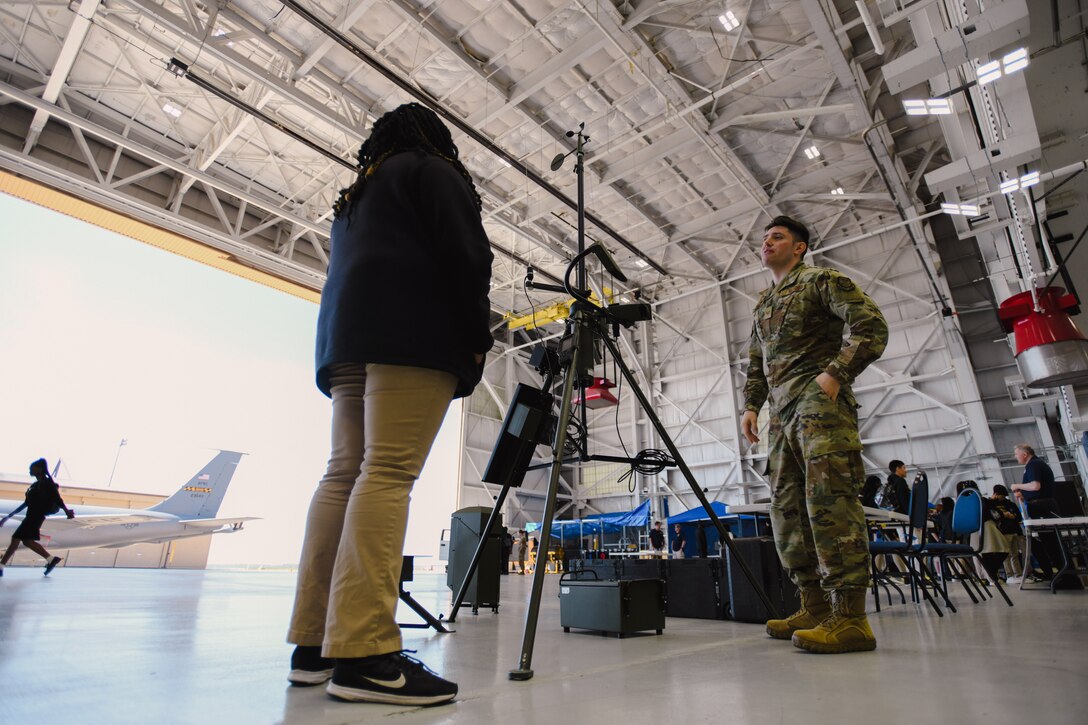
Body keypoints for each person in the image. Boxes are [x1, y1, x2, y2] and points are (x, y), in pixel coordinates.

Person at [285, 103, 493, 706]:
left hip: (347, 346)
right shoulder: (433, 171)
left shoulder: (356, 197)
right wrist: (477, 341)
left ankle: (315, 645)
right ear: (437, 138)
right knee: (387, 474)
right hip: (411, 337)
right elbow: (467, 259)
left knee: (342, 476)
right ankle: (367, 654)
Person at [741, 215, 888, 654]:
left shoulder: (821, 281)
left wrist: (835, 374)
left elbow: (871, 326)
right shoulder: (764, 302)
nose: (767, 243)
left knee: (830, 504)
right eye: (764, 238)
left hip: (819, 408)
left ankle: (851, 618)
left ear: (800, 247)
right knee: (786, 511)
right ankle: (815, 605)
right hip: (781, 418)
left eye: (778, 237)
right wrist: (751, 405)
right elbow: (756, 361)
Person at [1, 458, 75, 577]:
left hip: (36, 517)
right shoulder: (35, 485)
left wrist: (67, 511)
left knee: (16, 540)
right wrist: (8, 516)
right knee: (26, 541)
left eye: (32, 467)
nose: (30, 469)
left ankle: (1, 567)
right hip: (30, 516)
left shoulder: (47, 483)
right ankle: (51, 559)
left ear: (39, 469)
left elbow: (58, 499)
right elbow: (26, 503)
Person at [1010, 443, 1061, 581]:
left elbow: (1035, 486)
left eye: (1016, 454)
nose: (1015, 457)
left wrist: (1017, 486)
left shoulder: (1034, 465)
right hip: (1038, 507)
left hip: (1042, 508)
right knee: (1040, 543)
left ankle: (1062, 573)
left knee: (1050, 543)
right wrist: (1024, 495)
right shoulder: (1033, 465)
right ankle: (1051, 573)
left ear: (1025, 454)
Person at [988, 484, 1024, 580]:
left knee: (1015, 554)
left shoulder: (1009, 504)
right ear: (996, 494)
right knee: (1006, 555)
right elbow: (994, 516)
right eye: (1002, 496)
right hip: (1002, 533)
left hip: (1013, 531)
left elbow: (1018, 517)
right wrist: (1005, 515)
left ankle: (1019, 575)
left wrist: (1012, 516)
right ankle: (1010, 575)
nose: (1003, 498)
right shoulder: (990, 503)